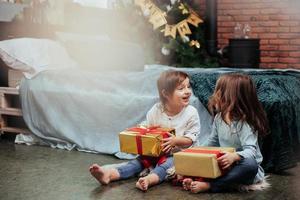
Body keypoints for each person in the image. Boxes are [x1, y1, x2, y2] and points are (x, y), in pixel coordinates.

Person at [89, 70, 200, 191]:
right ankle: (109, 175)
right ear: (166, 94)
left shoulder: (191, 112)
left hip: (179, 155)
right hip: (156, 152)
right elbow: (148, 128)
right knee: (137, 163)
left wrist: (175, 141)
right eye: (181, 88)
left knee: (167, 166)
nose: (188, 91)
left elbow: (190, 139)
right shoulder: (156, 110)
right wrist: (138, 131)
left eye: (188, 87)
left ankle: (149, 179)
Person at [183, 73, 269, 193]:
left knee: (250, 165)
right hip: (225, 165)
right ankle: (195, 179)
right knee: (204, 160)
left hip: (242, 169)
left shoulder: (245, 123)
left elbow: (251, 151)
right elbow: (212, 141)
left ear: (232, 98)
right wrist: (195, 151)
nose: (215, 95)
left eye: (219, 91)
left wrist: (234, 156)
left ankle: (211, 185)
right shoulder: (219, 117)